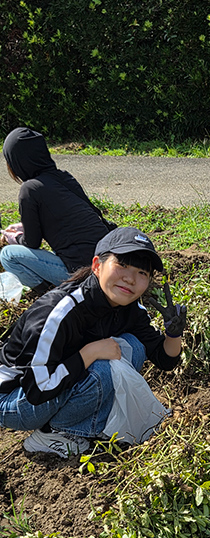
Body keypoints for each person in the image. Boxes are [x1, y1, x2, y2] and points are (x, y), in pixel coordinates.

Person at [0, 226, 186, 458]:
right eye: (122, 265)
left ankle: (83, 424)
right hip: (15, 399)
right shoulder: (59, 312)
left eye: (142, 272)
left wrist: (174, 334)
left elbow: (164, 359)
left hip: (47, 386)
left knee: (134, 346)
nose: (130, 278)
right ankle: (51, 434)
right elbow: (37, 389)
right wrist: (90, 353)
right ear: (97, 265)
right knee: (103, 369)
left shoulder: (130, 308)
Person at [0, 126, 114, 293]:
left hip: (83, 273)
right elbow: (63, 218)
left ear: (16, 161)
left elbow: (32, 242)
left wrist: (14, 238)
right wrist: (24, 226)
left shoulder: (30, 189)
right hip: (108, 263)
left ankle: (50, 292)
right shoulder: (63, 177)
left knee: (8, 255)